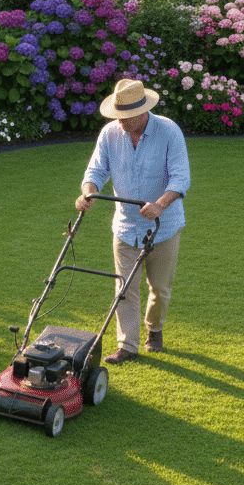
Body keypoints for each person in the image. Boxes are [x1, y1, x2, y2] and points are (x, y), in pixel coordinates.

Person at [75, 78, 192, 365]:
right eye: (117, 116)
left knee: (160, 288)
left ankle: (155, 330)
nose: (120, 122)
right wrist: (88, 192)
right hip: (126, 226)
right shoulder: (110, 134)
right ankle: (127, 345)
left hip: (164, 226)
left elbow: (181, 177)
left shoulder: (168, 131)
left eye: (125, 117)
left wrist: (160, 205)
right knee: (124, 288)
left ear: (143, 113)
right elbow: (96, 170)